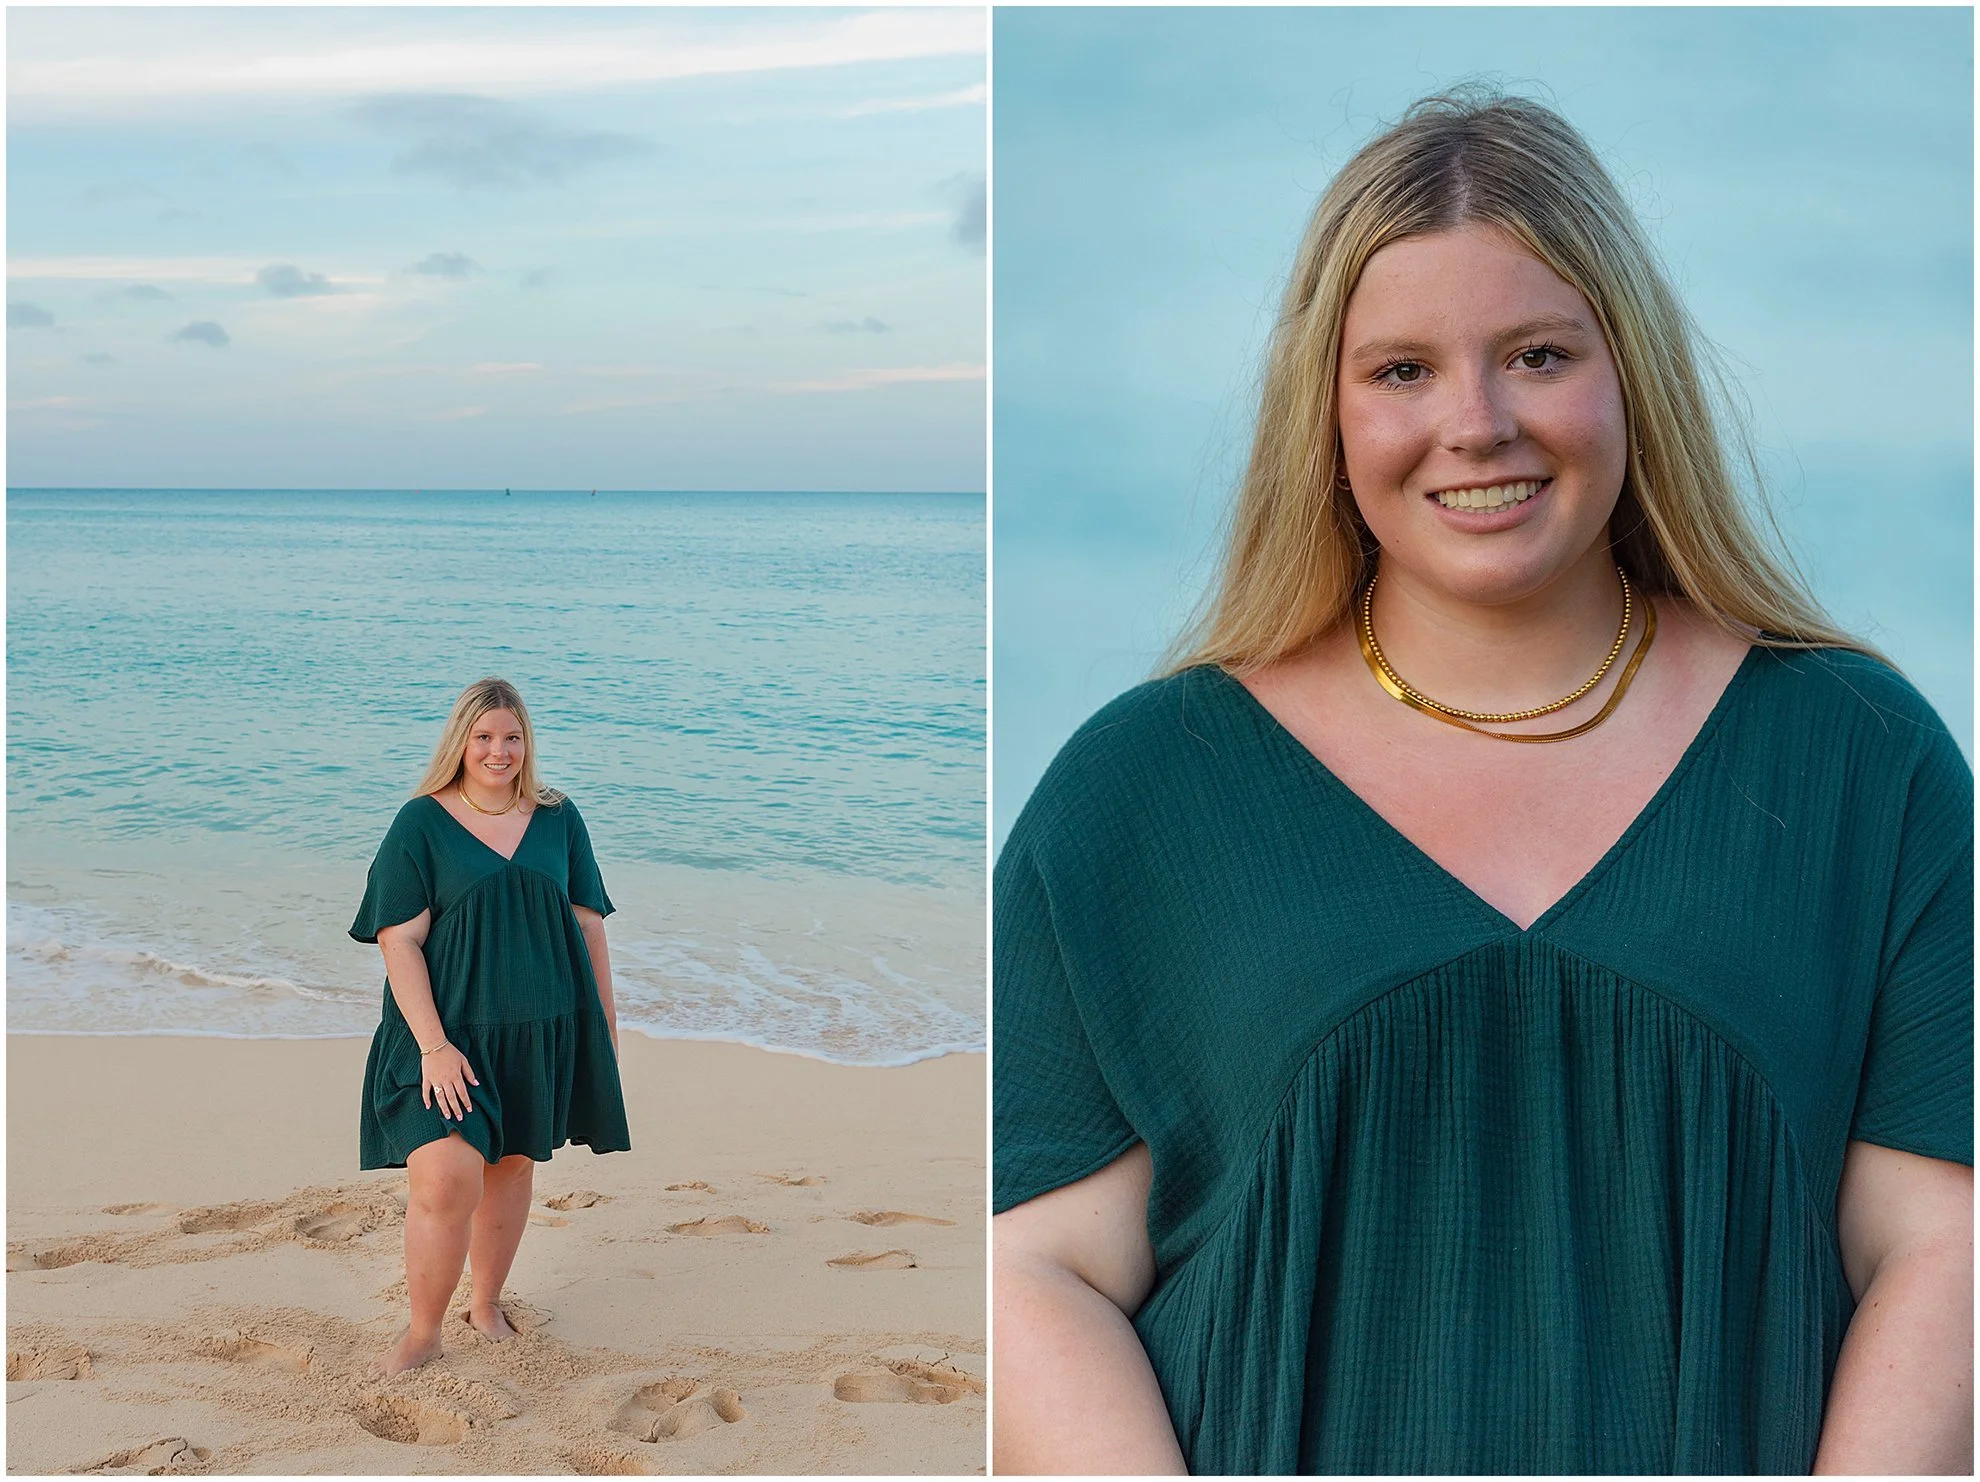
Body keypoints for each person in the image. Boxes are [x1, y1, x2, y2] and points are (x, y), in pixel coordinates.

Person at [992, 91, 1972, 1475]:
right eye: (1402, 370)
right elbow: (1042, 1266)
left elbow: (1938, 1241)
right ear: (1324, 412)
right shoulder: (1144, 789)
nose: (1477, 423)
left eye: (1538, 354)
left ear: (1630, 372)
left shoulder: (1859, 758)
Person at [352, 676, 630, 1377]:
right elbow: (398, 940)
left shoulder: (558, 817)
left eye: (512, 737)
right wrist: (434, 1046)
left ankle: (485, 1303)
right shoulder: (421, 822)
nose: (498, 751)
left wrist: (604, 1029)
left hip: (541, 1030)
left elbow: (589, 927)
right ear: (461, 741)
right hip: (446, 1036)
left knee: (511, 1168)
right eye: (483, 737)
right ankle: (422, 1333)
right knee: (446, 1178)